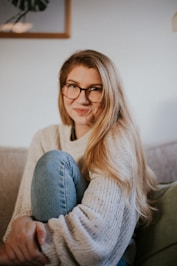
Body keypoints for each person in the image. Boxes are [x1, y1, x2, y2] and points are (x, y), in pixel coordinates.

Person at [0, 49, 157, 266]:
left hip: (108, 260)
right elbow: (23, 212)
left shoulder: (116, 138)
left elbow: (94, 240)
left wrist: (23, 251)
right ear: (62, 89)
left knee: (54, 162)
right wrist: (21, 225)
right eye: (73, 86)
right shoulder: (45, 137)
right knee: (51, 160)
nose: (81, 99)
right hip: (54, 256)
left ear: (110, 94)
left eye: (94, 89)